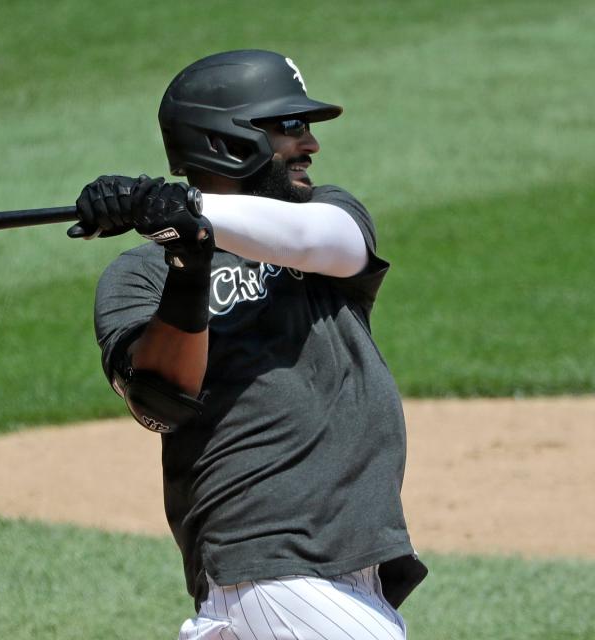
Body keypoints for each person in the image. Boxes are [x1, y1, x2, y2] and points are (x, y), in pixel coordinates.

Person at [69, 50, 427, 640]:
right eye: (289, 126)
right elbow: (160, 401)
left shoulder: (326, 216)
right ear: (226, 140)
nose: (309, 143)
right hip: (271, 568)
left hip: (332, 576)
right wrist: (188, 260)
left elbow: (323, 243)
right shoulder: (139, 278)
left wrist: (190, 213)